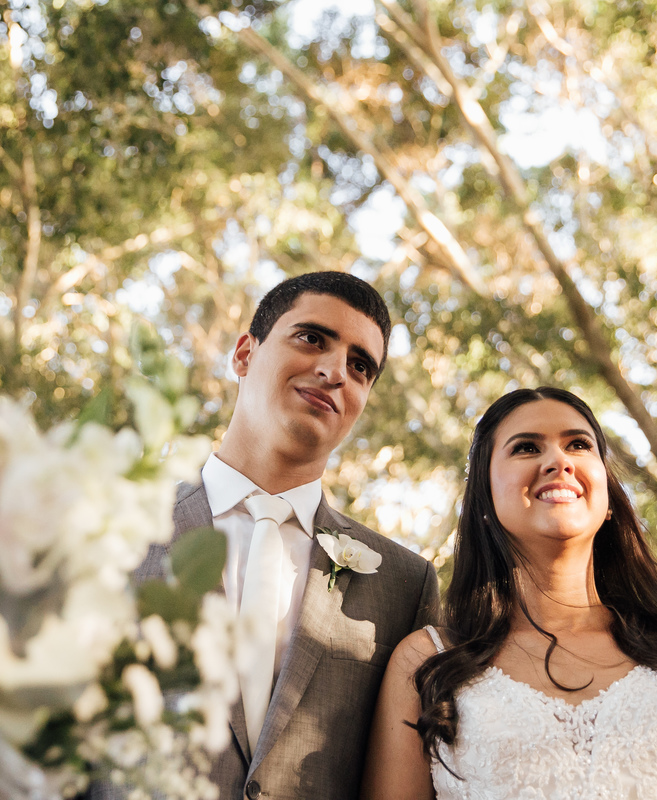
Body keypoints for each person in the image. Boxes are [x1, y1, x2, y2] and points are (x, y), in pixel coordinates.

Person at [361, 387, 657, 800]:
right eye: (526, 447)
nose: (559, 460)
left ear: (606, 494)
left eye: (578, 445)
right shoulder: (427, 662)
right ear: (485, 501)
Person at [139, 271, 440, 800]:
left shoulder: (405, 584)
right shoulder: (117, 527)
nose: (335, 371)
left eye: (360, 366)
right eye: (312, 338)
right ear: (244, 355)